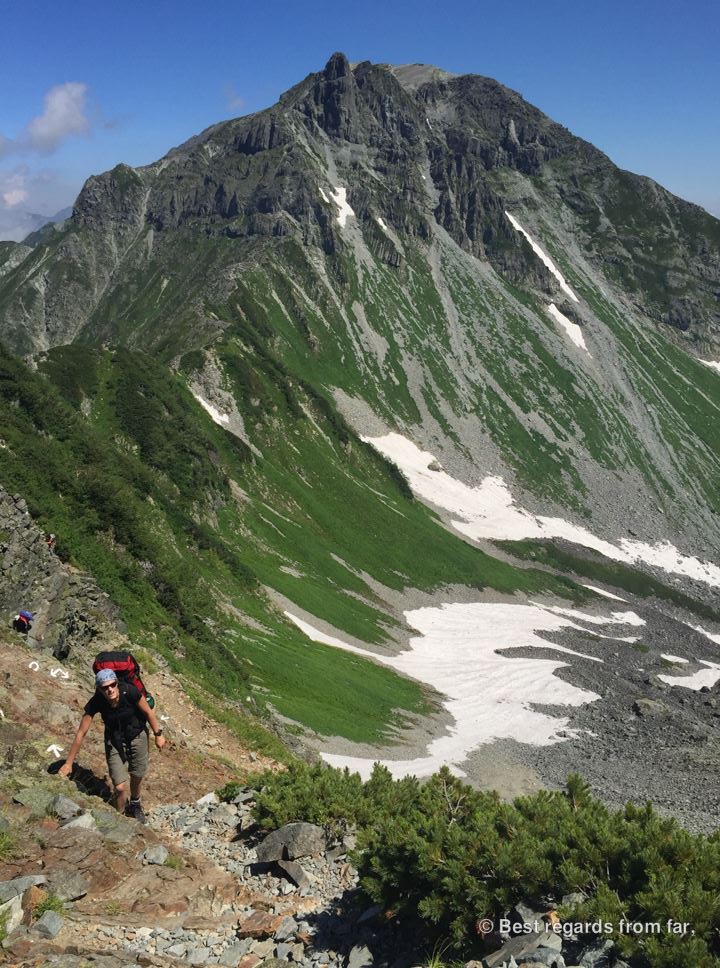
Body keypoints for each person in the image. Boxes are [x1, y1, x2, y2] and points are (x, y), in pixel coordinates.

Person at [59, 668, 166, 822]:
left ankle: (135, 803)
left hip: (137, 735)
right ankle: (120, 817)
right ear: (99, 689)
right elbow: (81, 733)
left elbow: (149, 712)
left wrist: (158, 735)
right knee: (120, 787)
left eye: (112, 685)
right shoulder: (97, 702)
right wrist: (68, 764)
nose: (109, 690)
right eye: (104, 687)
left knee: (137, 774)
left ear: (117, 683)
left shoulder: (129, 691)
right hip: (114, 740)